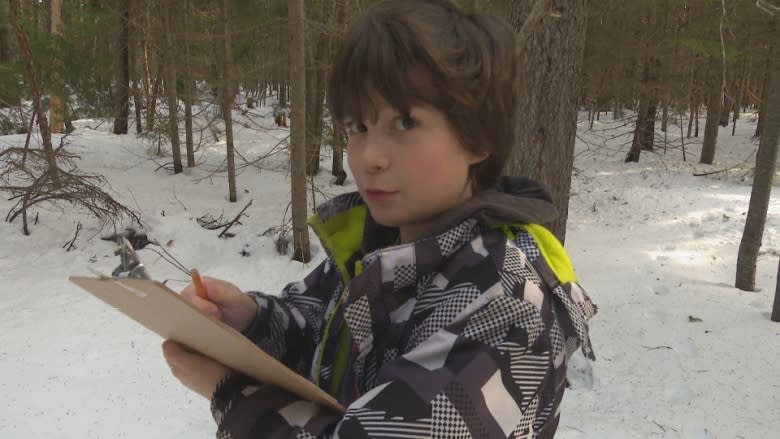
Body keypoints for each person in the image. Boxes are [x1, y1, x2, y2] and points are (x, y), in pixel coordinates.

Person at [162, 0, 597, 437]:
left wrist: (229, 391)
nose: (369, 157)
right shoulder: (381, 249)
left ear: (478, 137)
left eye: (405, 122)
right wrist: (252, 320)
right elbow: (317, 328)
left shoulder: (506, 302)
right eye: (357, 126)